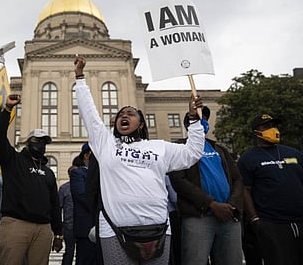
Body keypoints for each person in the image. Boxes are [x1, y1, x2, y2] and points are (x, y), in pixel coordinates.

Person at [73, 56, 205, 265]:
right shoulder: (105, 144)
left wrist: (194, 120)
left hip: (158, 229)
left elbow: (193, 153)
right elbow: (89, 113)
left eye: (131, 113)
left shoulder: (159, 147)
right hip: (115, 230)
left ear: (141, 123)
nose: (124, 115)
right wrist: (80, 78)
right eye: (120, 114)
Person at [0, 95, 63, 265]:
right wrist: (7, 110)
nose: (41, 144)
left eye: (44, 142)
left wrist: (58, 233)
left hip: (43, 230)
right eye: (37, 140)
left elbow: (54, 204)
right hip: (16, 225)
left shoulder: (48, 172)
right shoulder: (13, 160)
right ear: (28, 142)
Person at [169, 107, 243, 265]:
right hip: (198, 217)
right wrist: (211, 204)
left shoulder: (220, 149)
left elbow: (237, 179)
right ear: (189, 125)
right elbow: (179, 181)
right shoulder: (179, 149)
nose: (203, 122)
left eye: (205, 119)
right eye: (198, 119)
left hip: (228, 217)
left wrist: (231, 205)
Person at [238, 114, 303, 265]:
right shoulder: (248, 159)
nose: (273, 129)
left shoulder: (294, 154)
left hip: (300, 219)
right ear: (256, 132)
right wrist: (254, 219)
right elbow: (245, 190)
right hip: (273, 223)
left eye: (274, 125)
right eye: (266, 126)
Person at [71, 142, 97, 264]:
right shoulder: (78, 174)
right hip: (86, 228)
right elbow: (82, 195)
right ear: (86, 155)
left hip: (104, 228)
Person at [59, 165, 78, 265]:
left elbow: (59, 207)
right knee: (77, 252)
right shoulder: (83, 186)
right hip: (73, 226)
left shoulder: (64, 188)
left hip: (69, 225)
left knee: (69, 251)